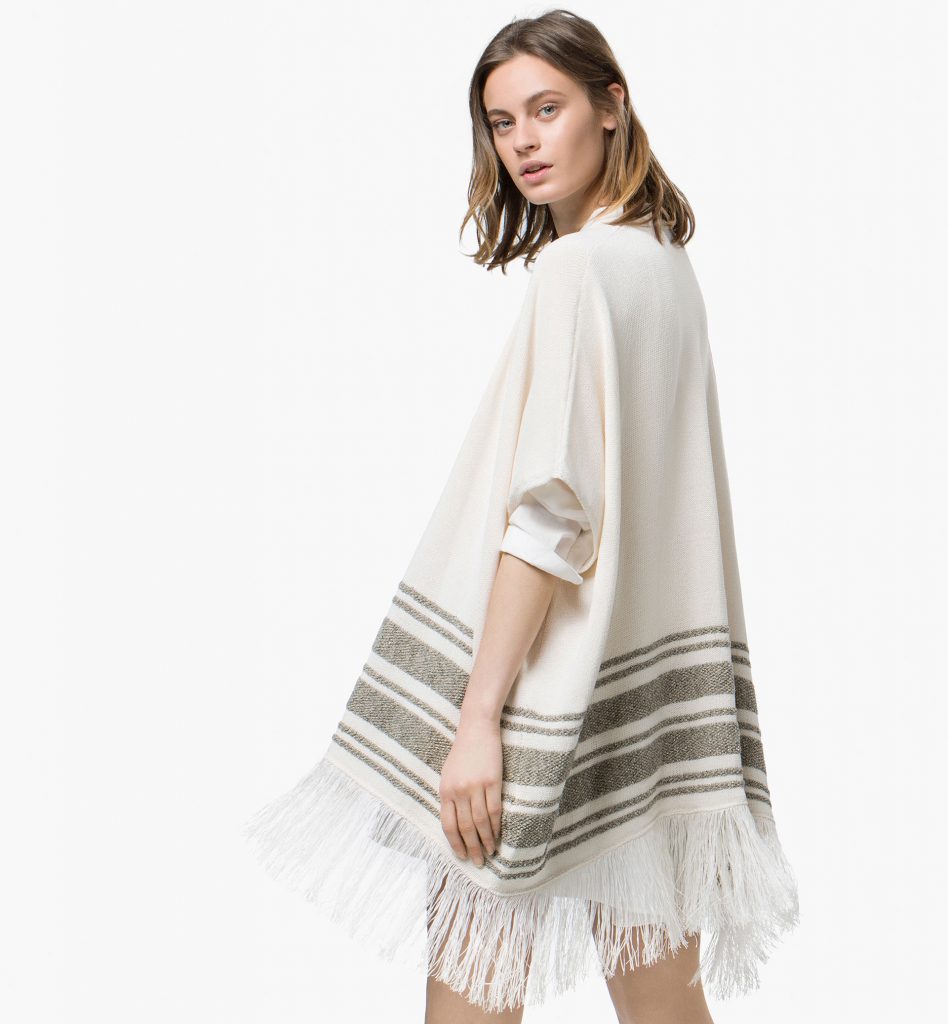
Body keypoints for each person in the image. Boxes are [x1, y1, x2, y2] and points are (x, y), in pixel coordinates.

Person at [244, 10, 799, 1023]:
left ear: (611, 106)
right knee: (664, 1000)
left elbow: (550, 516)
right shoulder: (662, 264)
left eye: (547, 110)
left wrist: (477, 723)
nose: (524, 143)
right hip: (644, 713)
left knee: (472, 993)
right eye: (502, 123)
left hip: (547, 693)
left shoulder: (580, 270)